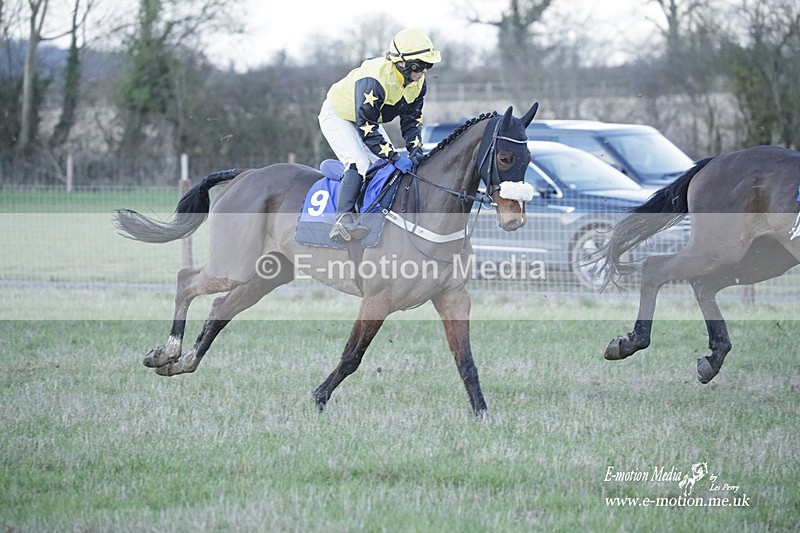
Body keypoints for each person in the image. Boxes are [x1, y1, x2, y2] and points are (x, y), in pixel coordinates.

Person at [318, 28, 441, 242]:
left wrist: (416, 150)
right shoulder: (373, 81)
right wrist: (394, 156)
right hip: (338, 115)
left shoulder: (418, 84)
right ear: (401, 63)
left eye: (427, 65)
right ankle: (343, 221)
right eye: (419, 65)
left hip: (367, 121)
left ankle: (373, 215)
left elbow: (411, 121)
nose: (424, 71)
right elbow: (367, 130)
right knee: (360, 164)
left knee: (384, 169)